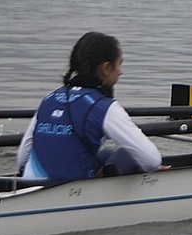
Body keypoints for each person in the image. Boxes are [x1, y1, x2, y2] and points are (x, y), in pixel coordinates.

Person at [16, 31, 163, 180]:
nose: (121, 72)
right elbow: (152, 160)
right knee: (126, 155)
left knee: (104, 154)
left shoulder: (49, 100)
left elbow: (22, 159)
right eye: (120, 64)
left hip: (28, 189)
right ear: (106, 68)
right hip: (69, 194)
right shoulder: (103, 107)